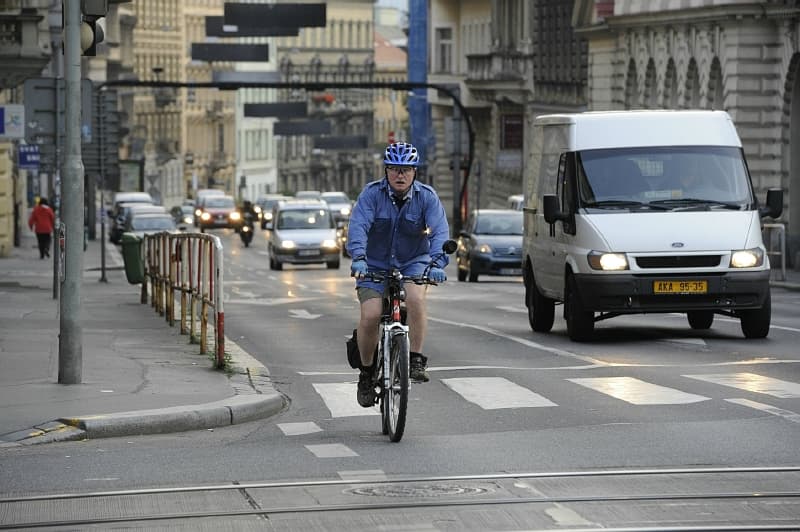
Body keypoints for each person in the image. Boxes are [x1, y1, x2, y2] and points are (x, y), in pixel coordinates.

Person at [346, 141, 450, 408]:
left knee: (415, 299)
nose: (400, 175)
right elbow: (358, 227)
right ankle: (367, 374)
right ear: (386, 171)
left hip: (413, 261)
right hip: (372, 264)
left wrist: (437, 263)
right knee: (370, 315)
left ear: (415, 172)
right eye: (394, 169)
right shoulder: (371, 195)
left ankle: (415, 358)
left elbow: (439, 232)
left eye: (406, 169)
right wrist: (358, 258)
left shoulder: (427, 197)